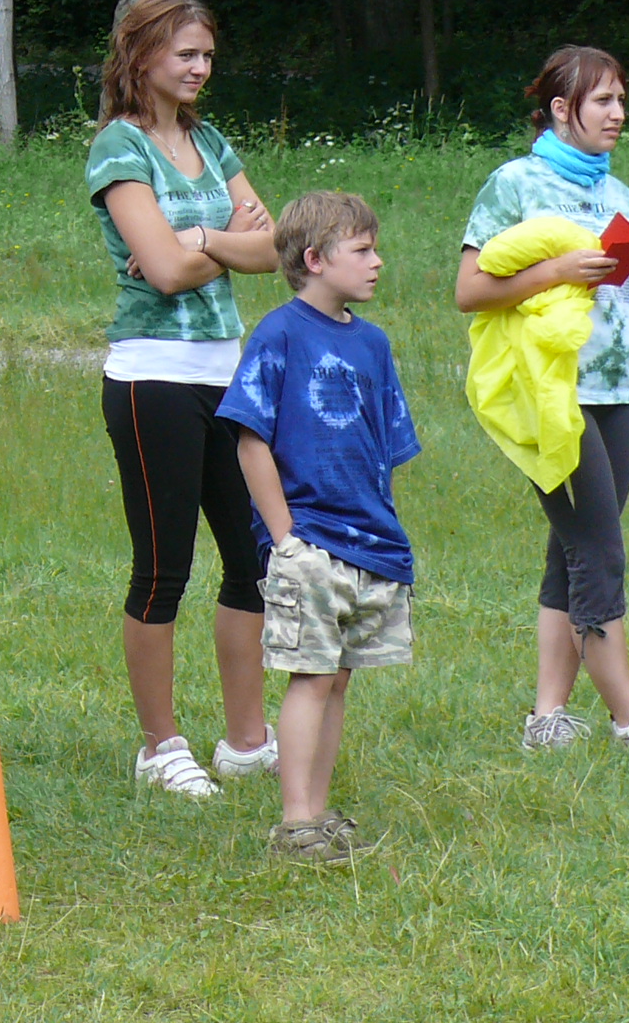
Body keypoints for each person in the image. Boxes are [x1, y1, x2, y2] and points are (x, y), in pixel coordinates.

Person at [455, 44, 629, 761]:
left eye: (622, 99)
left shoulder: (618, 192)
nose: (618, 113)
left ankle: (547, 718)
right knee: (599, 549)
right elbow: (469, 291)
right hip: (550, 393)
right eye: (603, 101)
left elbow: (626, 313)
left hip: (620, 390)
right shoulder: (515, 184)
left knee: (574, 549)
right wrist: (558, 269)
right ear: (562, 109)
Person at [85, 0, 280, 797]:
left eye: (207, 55)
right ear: (142, 55)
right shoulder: (119, 149)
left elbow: (276, 250)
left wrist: (199, 235)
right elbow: (161, 273)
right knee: (164, 568)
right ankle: (160, 747)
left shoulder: (213, 140)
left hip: (226, 374)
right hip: (152, 380)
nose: (201, 68)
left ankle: (246, 739)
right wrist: (226, 243)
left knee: (253, 561)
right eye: (185, 54)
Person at [218, 192, 419, 862]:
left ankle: (319, 811)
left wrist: (387, 535)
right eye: (362, 250)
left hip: (370, 546)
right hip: (308, 542)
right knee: (309, 676)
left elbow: (384, 449)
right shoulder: (279, 334)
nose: (377, 261)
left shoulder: (373, 343)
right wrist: (285, 539)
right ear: (314, 260)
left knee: (338, 678)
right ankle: (294, 821)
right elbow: (251, 440)